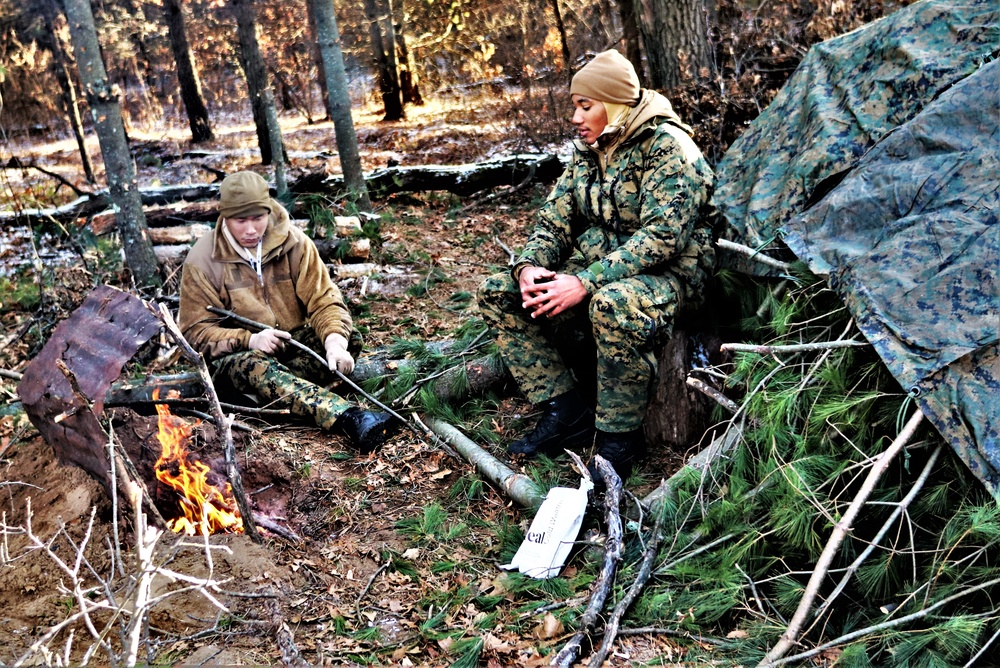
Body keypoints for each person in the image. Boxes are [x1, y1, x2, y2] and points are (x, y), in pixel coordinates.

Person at [478, 50, 716, 485]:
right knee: (499, 291)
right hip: (599, 268)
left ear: (616, 102)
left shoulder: (667, 145)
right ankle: (567, 410)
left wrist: (584, 282)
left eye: (585, 105)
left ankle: (618, 440)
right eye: (575, 105)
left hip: (673, 276)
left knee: (612, 305)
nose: (575, 116)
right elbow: (554, 221)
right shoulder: (589, 151)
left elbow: (663, 237)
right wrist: (530, 267)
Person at [179, 171, 397, 452]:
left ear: (268, 211)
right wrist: (249, 339)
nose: (250, 229)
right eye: (240, 220)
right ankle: (349, 417)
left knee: (349, 339)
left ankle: (269, 399)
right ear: (224, 217)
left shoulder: (294, 243)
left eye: (257, 218)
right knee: (256, 367)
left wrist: (334, 343)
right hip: (236, 363)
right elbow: (195, 333)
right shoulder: (202, 259)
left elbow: (324, 300)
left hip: (289, 348)